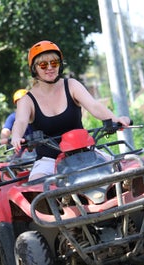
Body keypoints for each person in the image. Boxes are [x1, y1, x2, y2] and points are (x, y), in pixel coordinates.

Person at [10, 40, 131, 181]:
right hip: (48, 160)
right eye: (43, 64)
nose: (49, 67)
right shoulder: (27, 100)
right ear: (34, 69)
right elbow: (20, 121)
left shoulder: (72, 85)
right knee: (37, 188)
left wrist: (116, 119)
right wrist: (16, 137)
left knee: (125, 170)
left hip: (85, 153)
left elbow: (94, 106)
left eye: (54, 63)